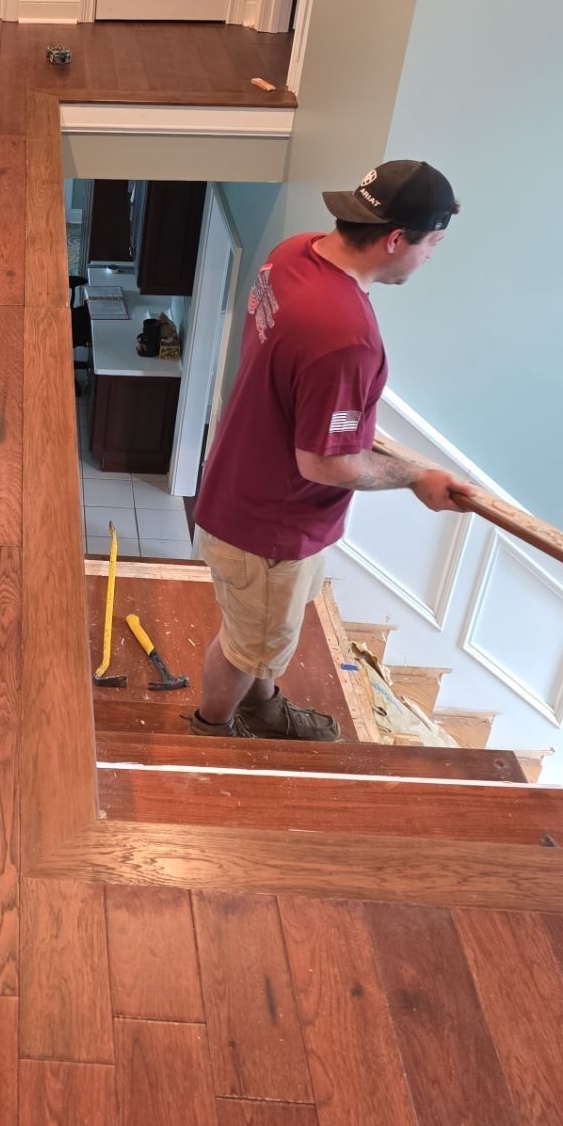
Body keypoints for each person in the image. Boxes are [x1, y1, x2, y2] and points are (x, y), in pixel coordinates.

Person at [191, 161, 472, 740]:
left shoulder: (293, 253)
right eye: (433, 244)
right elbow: (323, 461)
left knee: (265, 629)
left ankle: (262, 708)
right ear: (396, 239)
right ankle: (212, 729)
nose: (431, 257)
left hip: (239, 486)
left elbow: (306, 405)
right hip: (270, 525)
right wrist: (416, 478)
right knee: (248, 645)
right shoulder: (345, 335)